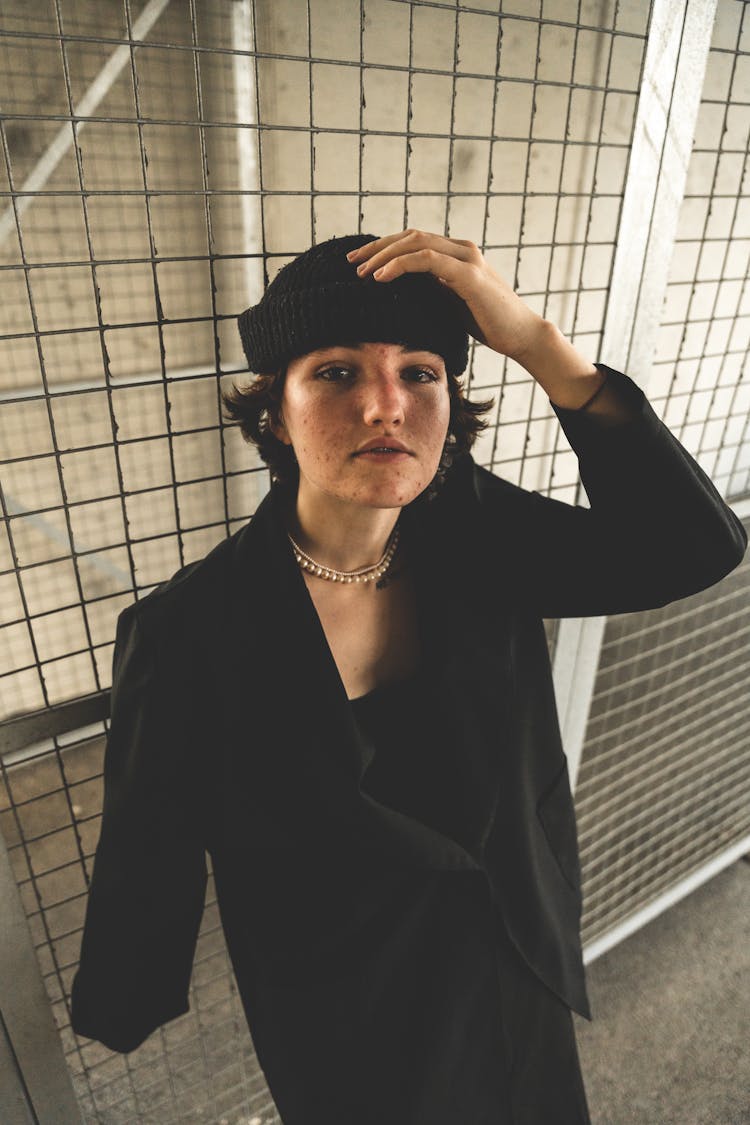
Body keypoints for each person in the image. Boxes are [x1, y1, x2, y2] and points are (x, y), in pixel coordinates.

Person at [70, 230, 747, 1124]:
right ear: (275, 408)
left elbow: (691, 548)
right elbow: (147, 843)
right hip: (345, 1000)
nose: (386, 405)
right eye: (338, 373)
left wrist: (537, 342)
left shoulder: (472, 530)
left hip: (512, 945)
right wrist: (128, 991)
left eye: (420, 373)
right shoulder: (188, 631)